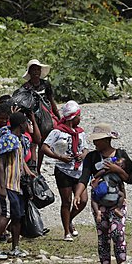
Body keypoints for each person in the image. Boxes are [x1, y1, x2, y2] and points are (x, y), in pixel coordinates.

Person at [74, 123, 132, 264]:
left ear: (107, 140)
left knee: (118, 234)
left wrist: (116, 169)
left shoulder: (121, 155)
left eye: (98, 140)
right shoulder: (92, 157)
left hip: (117, 201)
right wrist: (77, 194)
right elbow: (84, 177)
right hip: (99, 203)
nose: (95, 143)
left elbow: (129, 179)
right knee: (103, 238)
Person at [0, 112, 36, 260]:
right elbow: (0, 164)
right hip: (7, 184)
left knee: (17, 216)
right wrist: (2, 187)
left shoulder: (18, 140)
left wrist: (27, 172)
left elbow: (19, 160)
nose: (28, 125)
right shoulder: (8, 140)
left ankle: (15, 247)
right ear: (21, 125)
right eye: (26, 123)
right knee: (5, 215)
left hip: (16, 185)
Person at [41, 100, 88, 242]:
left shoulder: (80, 132)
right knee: (66, 201)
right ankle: (67, 231)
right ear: (73, 117)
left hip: (78, 170)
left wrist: (83, 155)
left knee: (83, 200)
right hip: (63, 170)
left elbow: (85, 148)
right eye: (79, 116)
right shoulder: (57, 132)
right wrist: (59, 157)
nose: (80, 119)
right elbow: (44, 147)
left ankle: (69, 220)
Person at [20, 59, 60, 170]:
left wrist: (58, 116)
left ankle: (38, 168)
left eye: (38, 69)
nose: (36, 72)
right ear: (29, 72)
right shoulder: (25, 87)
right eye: (34, 70)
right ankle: (33, 166)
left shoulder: (45, 84)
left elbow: (51, 100)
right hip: (32, 115)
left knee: (43, 143)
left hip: (45, 112)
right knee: (33, 143)